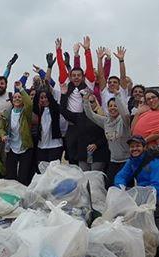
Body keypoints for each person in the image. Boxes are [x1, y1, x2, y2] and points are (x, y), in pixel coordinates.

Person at [55, 37, 99, 166]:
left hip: (86, 120)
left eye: (79, 75)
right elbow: (61, 67)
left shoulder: (89, 83)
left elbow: (90, 67)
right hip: (72, 121)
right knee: (71, 153)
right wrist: (58, 50)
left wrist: (87, 50)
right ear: (70, 77)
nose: (76, 77)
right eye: (73, 75)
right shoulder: (66, 84)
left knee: (85, 155)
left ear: (83, 76)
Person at [82, 88, 131, 187]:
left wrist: (117, 96)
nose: (113, 108)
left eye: (115, 106)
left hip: (126, 160)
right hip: (113, 160)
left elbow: (124, 113)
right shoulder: (106, 121)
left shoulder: (124, 121)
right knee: (109, 185)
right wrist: (86, 100)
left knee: (124, 186)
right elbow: (90, 115)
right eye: (110, 106)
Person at [114, 136, 159, 207]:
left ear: (144, 147)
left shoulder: (155, 162)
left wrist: (142, 197)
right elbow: (121, 176)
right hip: (143, 194)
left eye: (138, 146)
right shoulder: (131, 161)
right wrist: (121, 188)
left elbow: (158, 185)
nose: (135, 149)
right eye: (132, 147)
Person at [0, 82, 35, 184]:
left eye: (19, 97)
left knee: (23, 175)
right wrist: (3, 135)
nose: (17, 99)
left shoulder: (26, 112)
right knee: (11, 175)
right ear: (12, 100)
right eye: (15, 97)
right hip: (11, 147)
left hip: (25, 146)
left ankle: (23, 196)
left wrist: (21, 89)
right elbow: (0, 128)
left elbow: (30, 103)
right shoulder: (7, 112)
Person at [32, 71, 65, 165]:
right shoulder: (38, 110)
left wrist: (48, 70)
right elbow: (34, 102)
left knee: (54, 171)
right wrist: (20, 89)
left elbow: (49, 88)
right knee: (43, 170)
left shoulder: (55, 108)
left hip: (55, 145)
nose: (44, 99)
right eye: (41, 98)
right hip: (41, 145)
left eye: (46, 97)